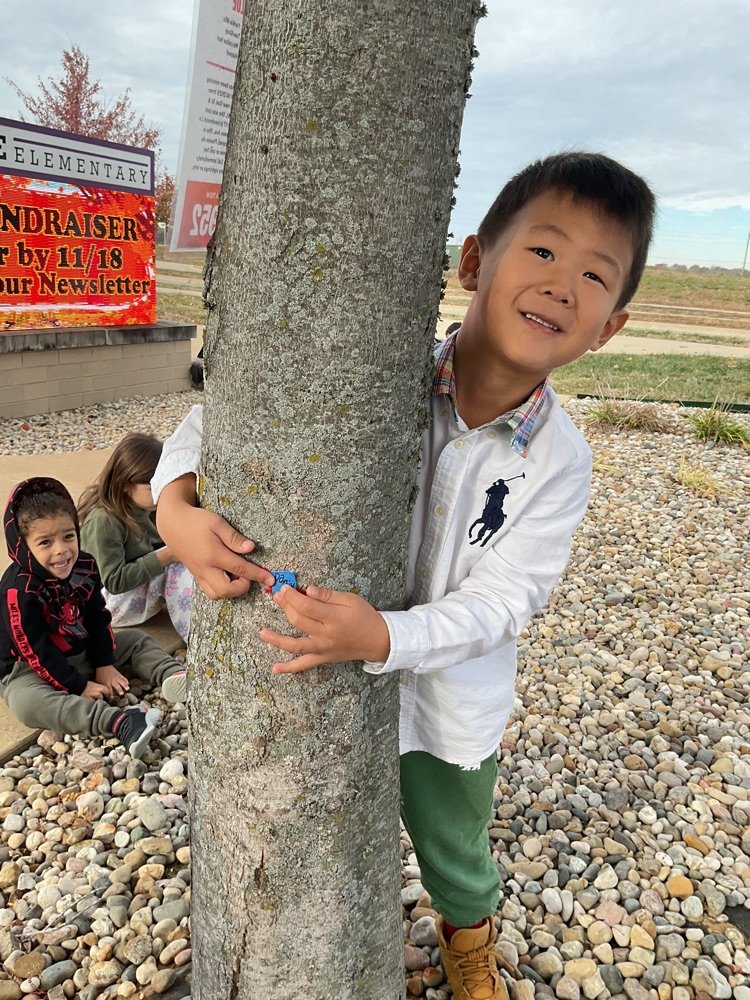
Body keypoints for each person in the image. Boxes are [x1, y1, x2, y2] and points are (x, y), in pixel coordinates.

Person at [152, 152, 656, 999]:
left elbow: (506, 601)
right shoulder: (374, 378)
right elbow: (221, 420)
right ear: (473, 264)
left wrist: (387, 635)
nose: (563, 286)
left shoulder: (561, 463)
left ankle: (468, 937)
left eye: (594, 276)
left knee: (454, 847)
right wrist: (172, 507)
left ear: (609, 327)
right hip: (322, 686)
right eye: (542, 252)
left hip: (450, 704)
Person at [0, 478, 187, 759]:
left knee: (135, 640)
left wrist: (104, 663)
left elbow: (98, 616)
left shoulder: (84, 565)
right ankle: (118, 722)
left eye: (68, 536)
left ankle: (175, 675)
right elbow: (35, 650)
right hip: (28, 669)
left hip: (80, 649)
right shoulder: (19, 590)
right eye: (45, 542)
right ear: (23, 546)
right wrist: (79, 686)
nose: (61, 549)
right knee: (26, 705)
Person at [78, 433, 193, 642]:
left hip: (130, 591)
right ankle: (194, 636)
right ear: (124, 484)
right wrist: (168, 555)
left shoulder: (146, 507)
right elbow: (113, 581)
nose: (160, 492)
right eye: (152, 487)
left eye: (164, 484)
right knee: (176, 566)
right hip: (105, 603)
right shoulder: (103, 521)